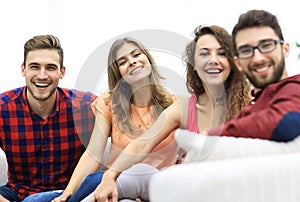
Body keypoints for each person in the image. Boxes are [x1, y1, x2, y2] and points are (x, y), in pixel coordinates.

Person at [83, 25, 252, 202]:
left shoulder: (249, 103)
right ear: (194, 65)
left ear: (233, 62)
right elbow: (142, 145)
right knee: (134, 179)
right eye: (204, 54)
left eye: (221, 53)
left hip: (226, 190)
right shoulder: (184, 106)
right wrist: (109, 176)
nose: (213, 60)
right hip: (187, 190)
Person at [52, 37, 177, 202]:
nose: (132, 62)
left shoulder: (173, 104)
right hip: (112, 185)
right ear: (118, 73)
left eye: (136, 55)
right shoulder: (110, 104)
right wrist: (68, 192)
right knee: (35, 200)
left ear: (147, 59)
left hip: (156, 188)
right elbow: (94, 154)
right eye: (123, 62)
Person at [0, 35, 97, 202]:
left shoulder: (85, 106)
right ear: (23, 69)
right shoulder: (3, 108)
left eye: (51, 68)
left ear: (62, 72)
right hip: (18, 195)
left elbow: (128, 125)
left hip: (72, 194)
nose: (42, 75)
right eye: (35, 67)